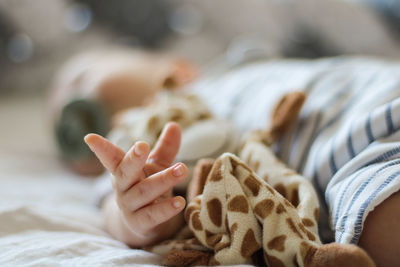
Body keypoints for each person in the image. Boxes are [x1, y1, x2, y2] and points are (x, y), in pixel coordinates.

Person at [86, 57, 400, 266]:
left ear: (180, 68)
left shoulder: (228, 71)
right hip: (339, 151)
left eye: (79, 79)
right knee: (378, 211)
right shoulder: (130, 150)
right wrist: (139, 213)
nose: (70, 110)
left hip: (364, 92)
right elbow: (120, 210)